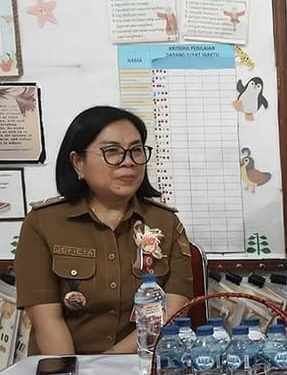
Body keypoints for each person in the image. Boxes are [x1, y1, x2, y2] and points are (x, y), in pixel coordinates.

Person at [14, 106, 193, 355]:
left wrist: (109, 364)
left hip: (142, 365)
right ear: (78, 162)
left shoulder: (165, 222)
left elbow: (171, 312)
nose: (128, 161)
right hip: (65, 368)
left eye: (136, 150)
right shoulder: (43, 223)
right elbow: (47, 322)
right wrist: (79, 374)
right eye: (112, 151)